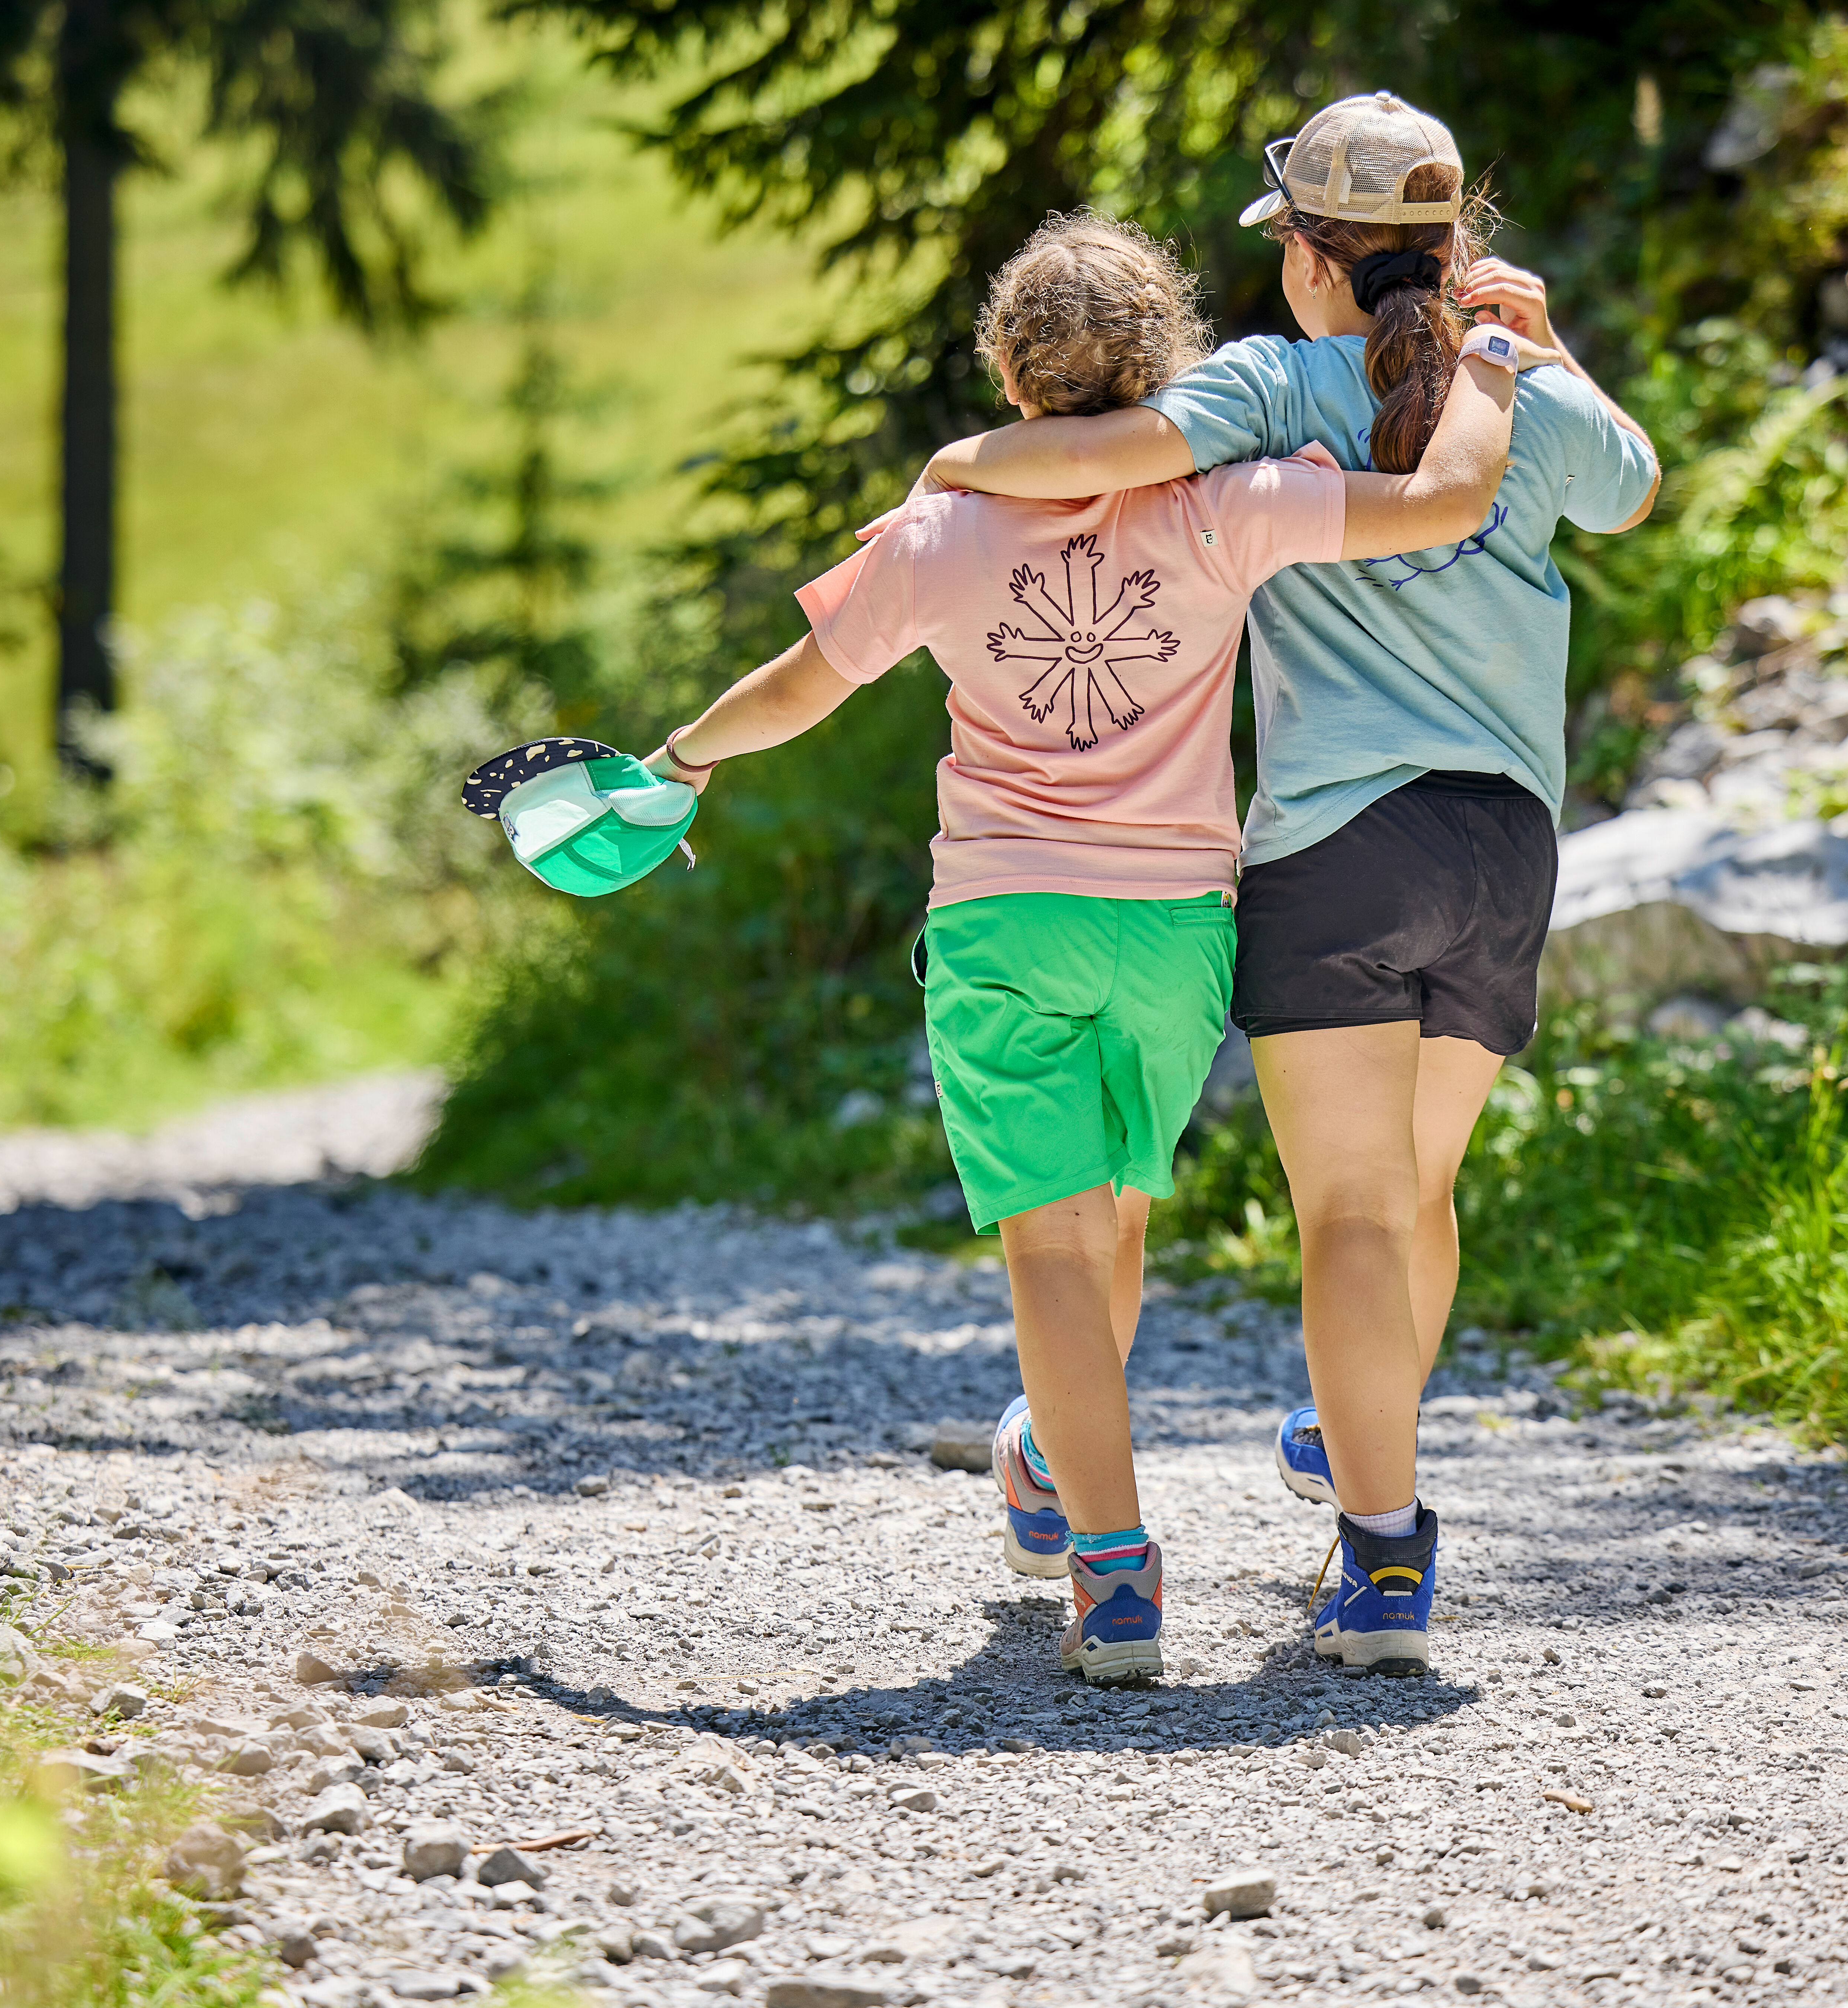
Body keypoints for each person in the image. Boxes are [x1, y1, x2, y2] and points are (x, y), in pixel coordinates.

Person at [637, 211, 1563, 1685]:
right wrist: (1495, 364)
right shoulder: (1225, 507)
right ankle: (1050, 1462)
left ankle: (1115, 1583)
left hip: (1006, 922)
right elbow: (1447, 502)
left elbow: (800, 688)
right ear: (1166, 376)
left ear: (1012, 379)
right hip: (1176, 937)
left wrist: (679, 760)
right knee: (1115, 1221)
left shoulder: (941, 531)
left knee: (1050, 1246)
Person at [908, 94, 1662, 1674]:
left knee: (1346, 1215)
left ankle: (1383, 1570)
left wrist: (958, 459)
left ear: (1311, 261)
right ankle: (1349, 1449)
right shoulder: (1506, 385)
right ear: (1448, 250)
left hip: (1339, 844)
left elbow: (1104, 458)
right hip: (1507, 842)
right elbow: (1630, 488)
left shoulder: (1263, 385)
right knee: (1419, 1193)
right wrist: (1535, 345)